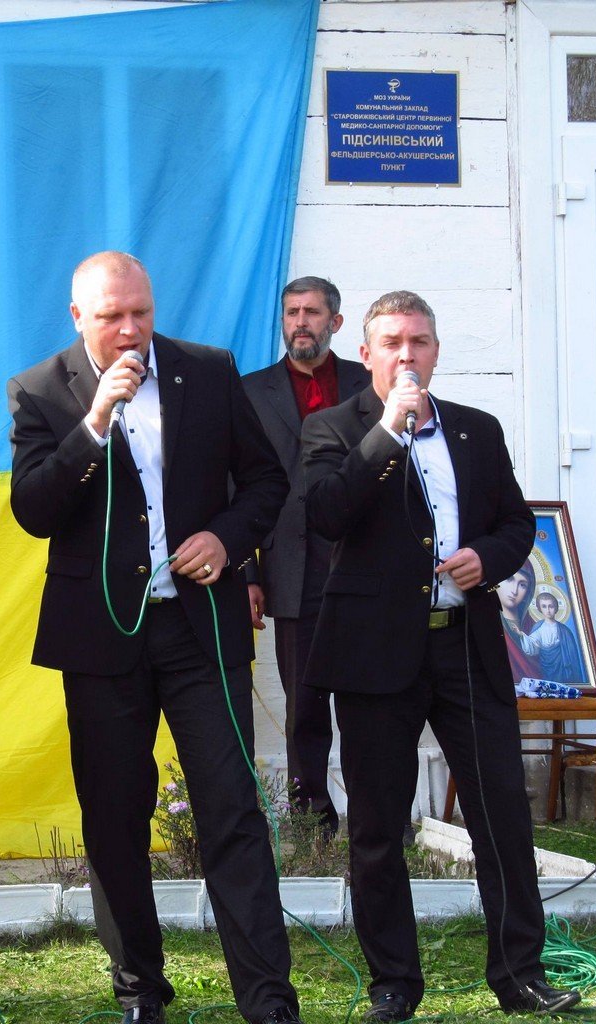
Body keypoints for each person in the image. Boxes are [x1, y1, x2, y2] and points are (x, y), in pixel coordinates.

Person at [7, 251, 300, 1024]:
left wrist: (227, 539)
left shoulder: (208, 370)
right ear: (79, 317)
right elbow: (34, 509)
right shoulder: (40, 390)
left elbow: (266, 481)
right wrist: (94, 423)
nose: (131, 330)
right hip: (102, 636)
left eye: (141, 312)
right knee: (114, 817)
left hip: (200, 630)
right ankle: (140, 988)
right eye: (113, 317)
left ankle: (268, 1000)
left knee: (232, 810)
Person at [300, 290, 581, 1022]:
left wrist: (487, 557)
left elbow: (516, 523)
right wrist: (388, 432)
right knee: (376, 828)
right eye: (392, 342)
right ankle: (394, 983)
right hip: (374, 656)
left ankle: (520, 975)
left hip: (465, 646)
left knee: (502, 817)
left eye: (419, 342)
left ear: (435, 350)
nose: (407, 355)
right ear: (365, 353)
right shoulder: (332, 428)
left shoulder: (477, 430)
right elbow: (325, 514)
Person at [241, 276, 368, 836]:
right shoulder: (251, 391)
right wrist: (247, 573)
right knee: (305, 705)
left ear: (334, 322)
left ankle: (377, 815)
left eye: (311, 312)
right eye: (291, 312)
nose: (300, 322)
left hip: (365, 562)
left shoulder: (369, 381)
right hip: (291, 567)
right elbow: (235, 484)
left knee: (370, 701)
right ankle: (310, 821)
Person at [519, 591, 587, 685]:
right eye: (544, 606)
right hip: (545, 669)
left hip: (563, 670)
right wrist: (521, 635)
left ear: (556, 608)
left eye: (551, 606)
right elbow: (532, 646)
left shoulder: (565, 631)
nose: (548, 610)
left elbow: (573, 658)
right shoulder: (538, 628)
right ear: (539, 608)